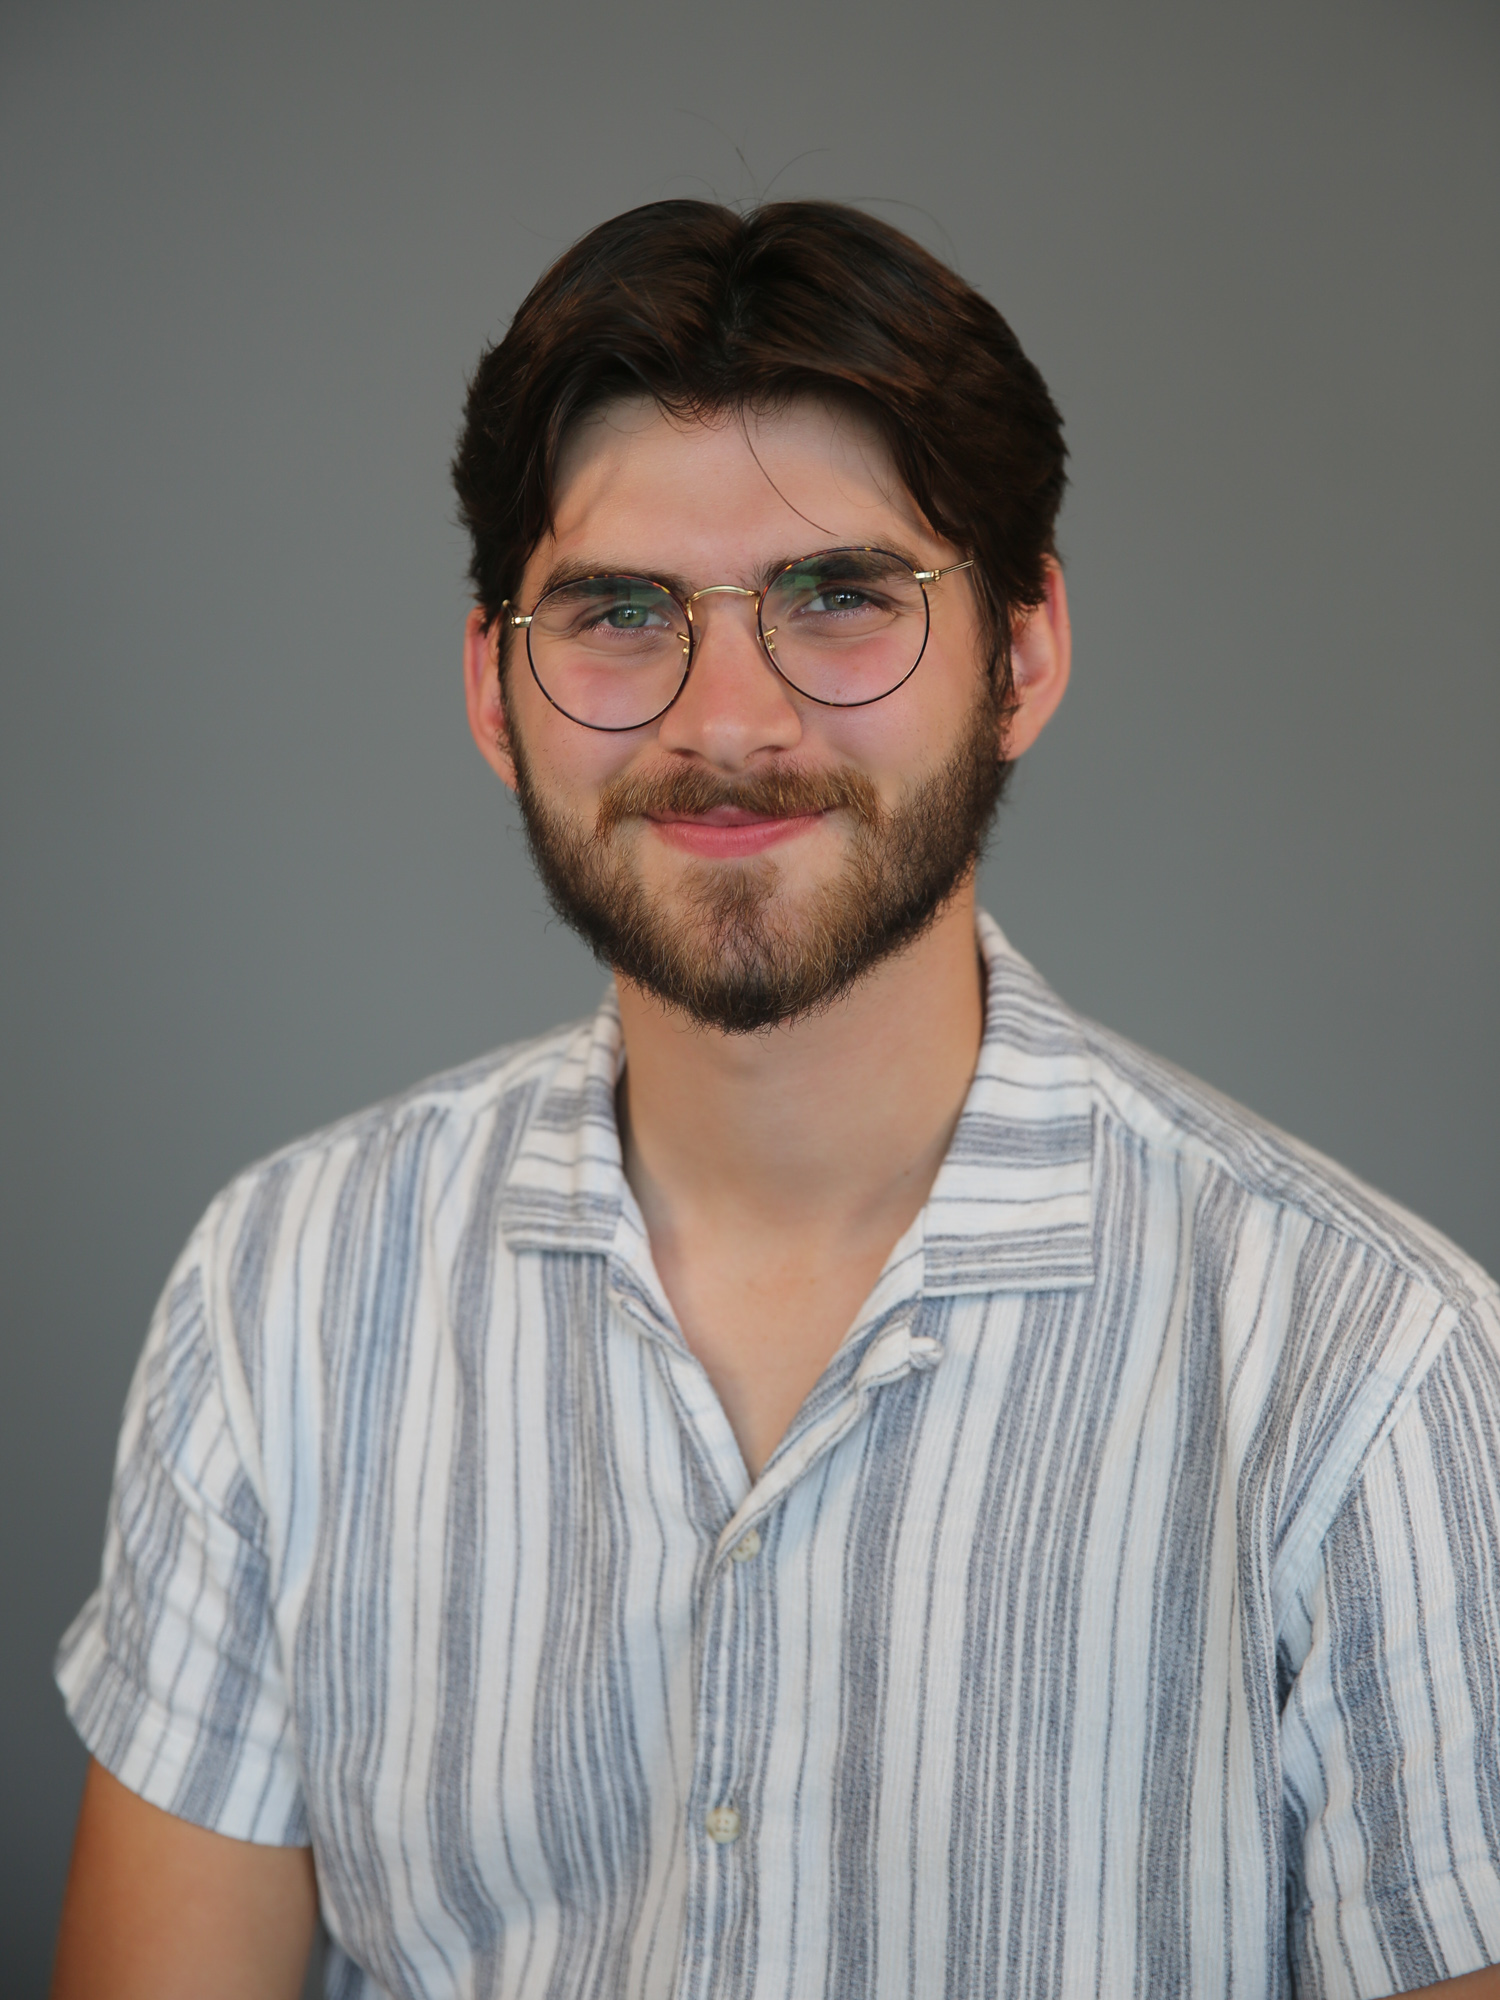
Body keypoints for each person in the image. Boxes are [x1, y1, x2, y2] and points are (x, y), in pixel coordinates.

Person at [49, 201, 1500, 2000]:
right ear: (495, 692)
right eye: (618, 611)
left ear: (1024, 656)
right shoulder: (280, 1297)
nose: (726, 719)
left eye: (840, 597)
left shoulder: (1372, 1379)